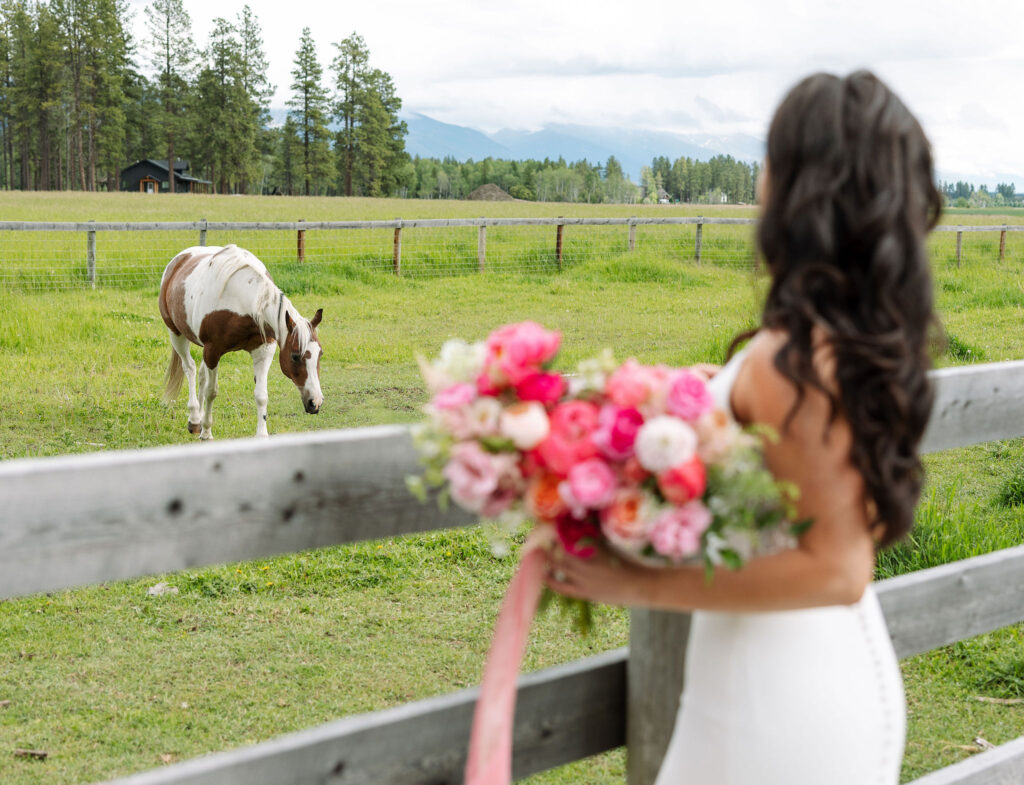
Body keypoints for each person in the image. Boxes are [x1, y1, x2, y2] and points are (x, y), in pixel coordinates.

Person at [544, 70, 941, 785]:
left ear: (800, 184)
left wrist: (636, 582)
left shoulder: (791, 357)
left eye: (770, 155)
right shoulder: (834, 341)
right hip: (798, 670)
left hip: (774, 694)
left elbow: (839, 567)